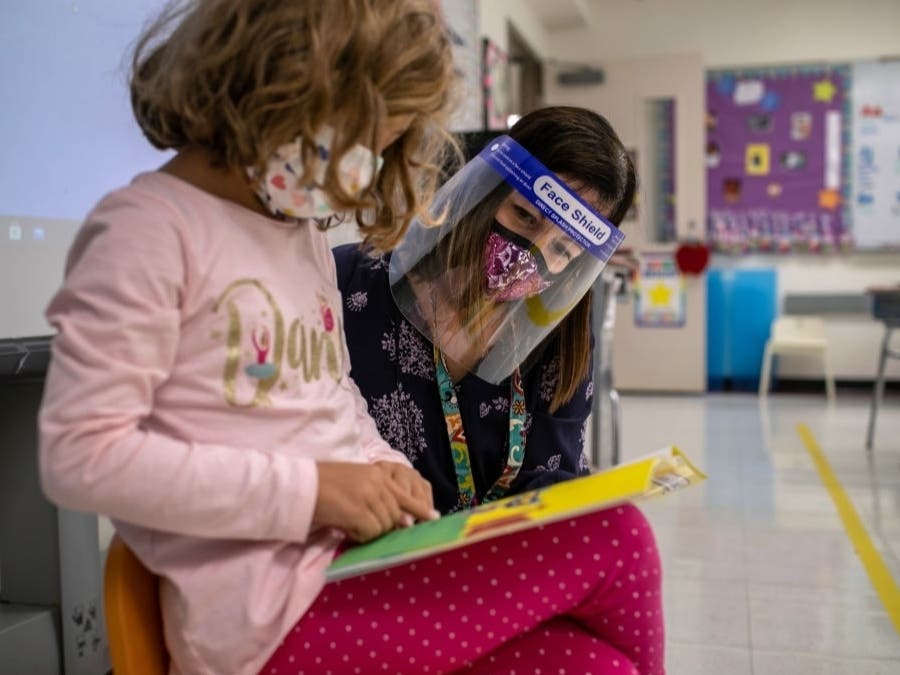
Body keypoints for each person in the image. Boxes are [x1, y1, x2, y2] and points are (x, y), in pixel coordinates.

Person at [38, 1, 665, 671]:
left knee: (599, 666)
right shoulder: (149, 229)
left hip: (349, 571)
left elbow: (334, 397)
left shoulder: (298, 238)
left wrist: (380, 463)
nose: (364, 173)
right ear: (279, 74)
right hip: (268, 622)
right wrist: (315, 491)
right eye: (362, 139)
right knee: (618, 538)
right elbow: (79, 454)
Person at [334, 106, 635, 514]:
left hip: (492, 561)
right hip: (369, 545)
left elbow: (553, 478)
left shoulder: (557, 340)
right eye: (524, 216)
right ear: (485, 190)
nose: (529, 257)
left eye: (563, 249)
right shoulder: (351, 282)